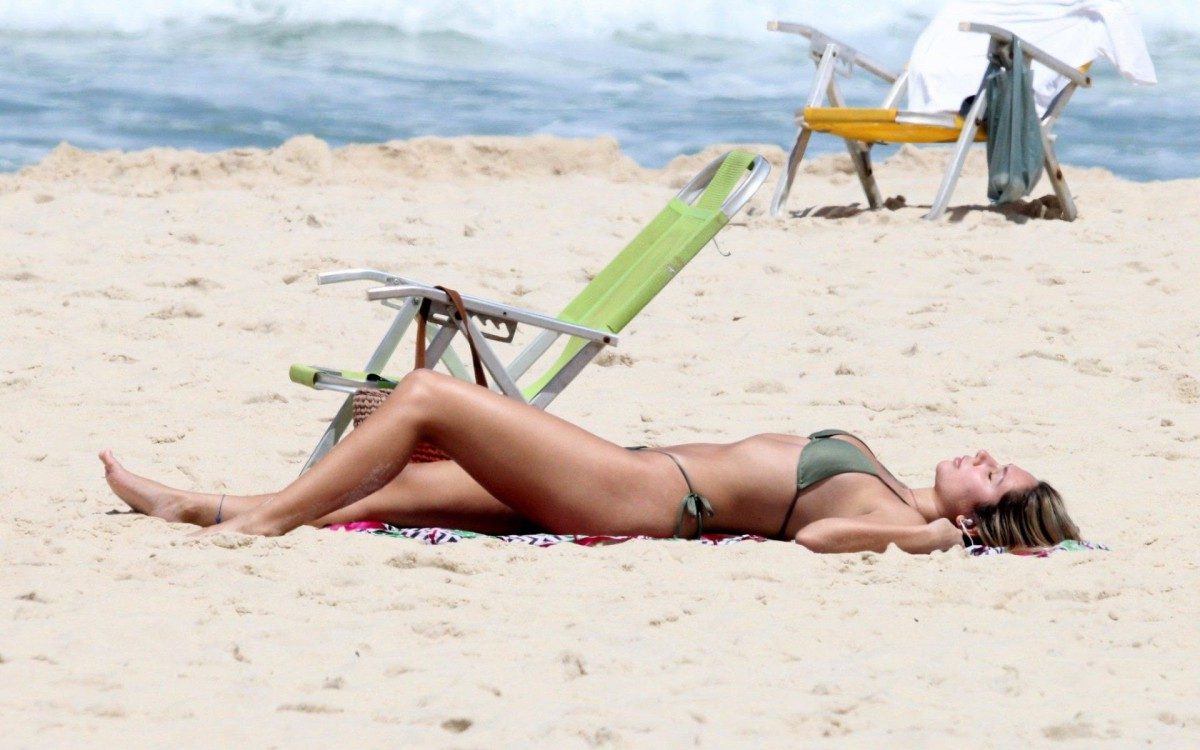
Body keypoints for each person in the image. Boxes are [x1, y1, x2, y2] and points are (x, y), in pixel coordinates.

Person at [99, 369, 1080, 553]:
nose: (986, 457)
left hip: (631, 495)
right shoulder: (891, 479)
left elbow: (821, 539)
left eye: (996, 476)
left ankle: (260, 523)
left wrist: (929, 541)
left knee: (427, 395)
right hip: (628, 476)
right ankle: (200, 504)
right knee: (397, 485)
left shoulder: (902, 521)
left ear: (978, 516)